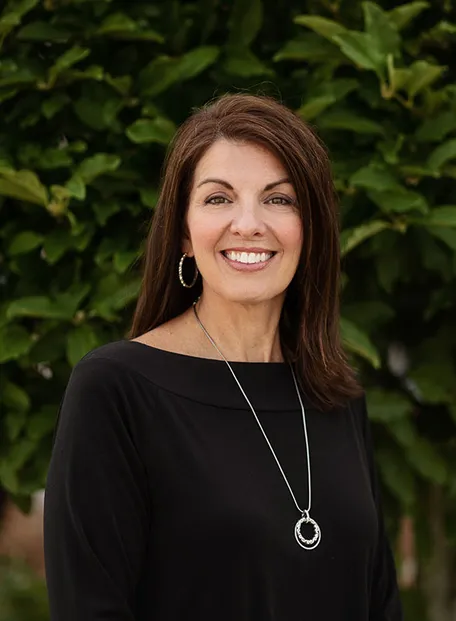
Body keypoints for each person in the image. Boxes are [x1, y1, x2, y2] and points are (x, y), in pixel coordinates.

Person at [43, 93, 403, 621]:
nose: (249, 223)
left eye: (279, 199)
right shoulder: (116, 389)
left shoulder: (336, 396)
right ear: (184, 234)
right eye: (218, 199)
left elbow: (380, 604)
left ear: (311, 230)